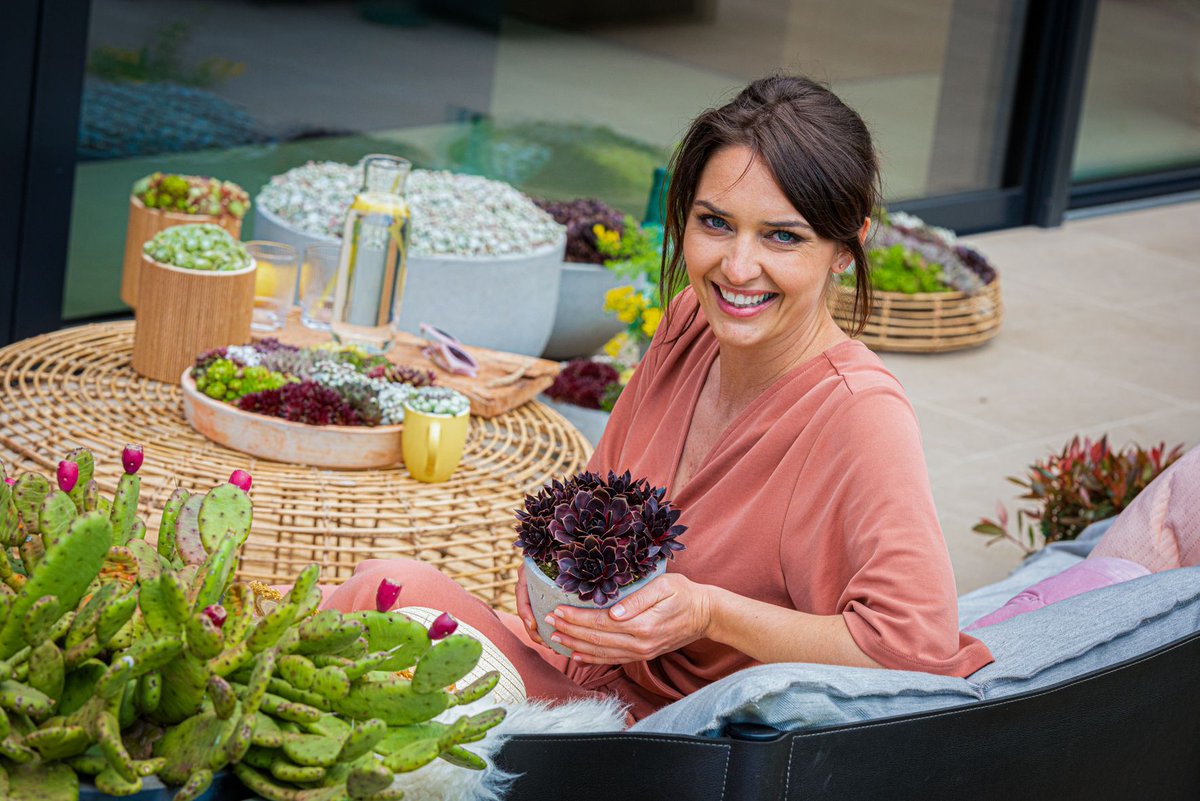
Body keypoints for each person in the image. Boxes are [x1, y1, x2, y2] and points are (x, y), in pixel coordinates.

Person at [324, 74, 994, 722]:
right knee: (374, 598)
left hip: (668, 739)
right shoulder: (690, 325)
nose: (737, 268)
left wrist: (709, 612)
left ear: (846, 248)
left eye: (782, 235)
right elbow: (594, 505)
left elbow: (916, 651)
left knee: (380, 606)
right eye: (716, 223)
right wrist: (551, 579)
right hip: (579, 674)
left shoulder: (860, 415)